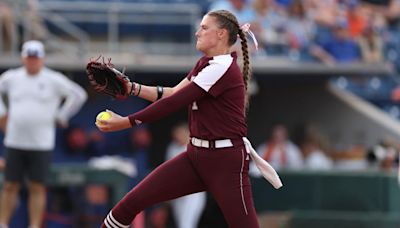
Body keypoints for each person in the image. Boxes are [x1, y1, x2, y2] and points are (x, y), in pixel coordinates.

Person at [97, 9, 261, 228]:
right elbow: (173, 93)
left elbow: (174, 103)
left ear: (221, 34)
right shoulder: (206, 64)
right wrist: (133, 88)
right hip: (195, 156)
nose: (197, 32)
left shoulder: (222, 67)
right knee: (131, 202)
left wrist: (127, 121)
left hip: (225, 161)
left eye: (204, 28)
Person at [0, 40, 87, 228]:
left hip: (41, 143)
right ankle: (3, 223)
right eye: (29, 57)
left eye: (36, 58)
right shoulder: (11, 78)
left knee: (37, 186)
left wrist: (62, 115)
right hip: (15, 140)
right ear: (23, 58)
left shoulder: (53, 79)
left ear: (42, 59)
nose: (32, 61)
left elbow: (79, 94)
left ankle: (34, 225)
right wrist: (2, 113)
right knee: (9, 185)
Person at [165, 123, 206, 228]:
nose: (178, 137)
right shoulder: (172, 147)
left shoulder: (196, 147)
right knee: (180, 224)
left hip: (192, 194)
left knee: (186, 225)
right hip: (176, 193)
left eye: (180, 134)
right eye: (176, 135)